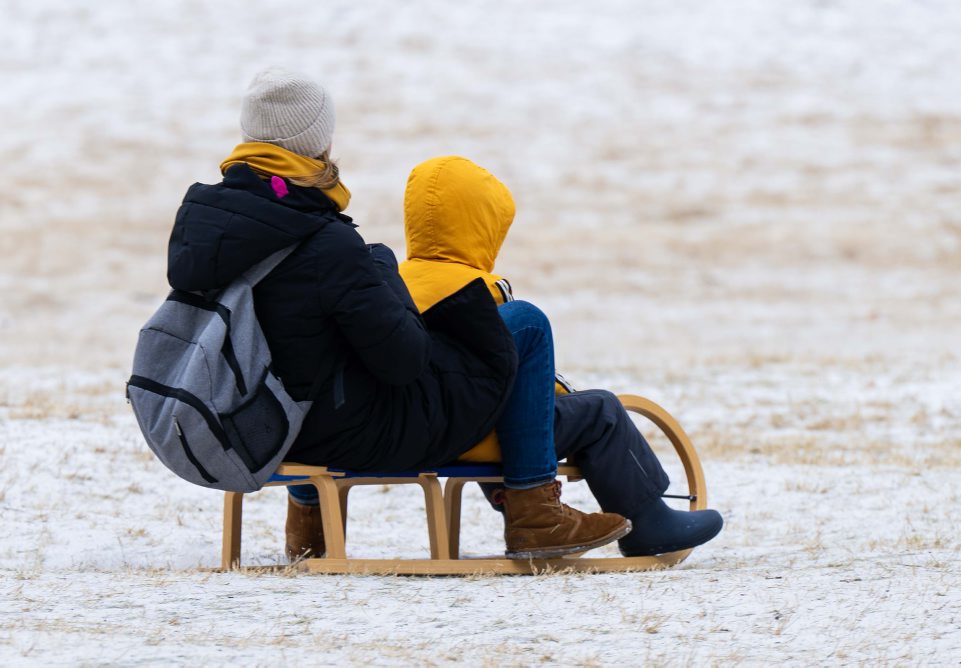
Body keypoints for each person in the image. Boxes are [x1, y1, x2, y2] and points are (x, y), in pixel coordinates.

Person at [165, 68, 629, 561]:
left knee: (312, 357)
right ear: (320, 143)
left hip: (257, 428)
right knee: (526, 323)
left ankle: (309, 526)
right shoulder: (327, 241)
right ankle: (535, 512)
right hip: (354, 435)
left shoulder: (208, 230)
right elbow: (404, 362)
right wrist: (384, 273)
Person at [396, 156, 724, 558]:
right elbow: (516, 367)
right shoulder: (482, 289)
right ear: (484, 227)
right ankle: (648, 522)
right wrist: (566, 394)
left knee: (495, 409)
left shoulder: (396, 284)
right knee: (599, 410)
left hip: (417, 427)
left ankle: (516, 504)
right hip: (473, 436)